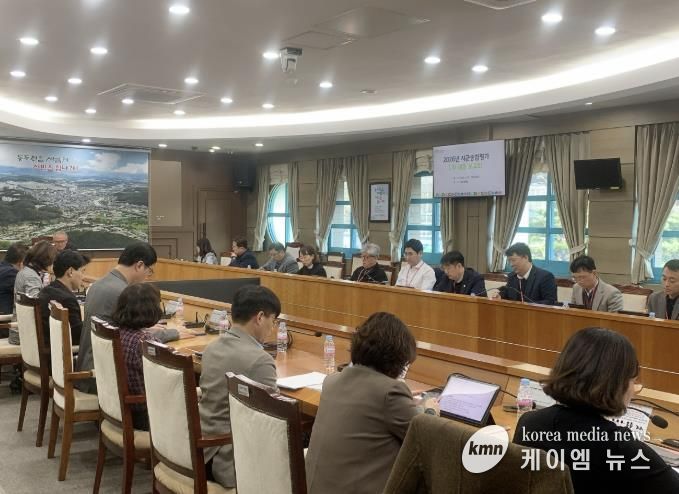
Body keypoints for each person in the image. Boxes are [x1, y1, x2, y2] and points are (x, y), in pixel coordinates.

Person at [514, 327, 679, 493]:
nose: (634, 390)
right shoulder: (621, 448)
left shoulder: (528, 423)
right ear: (616, 385)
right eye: (633, 381)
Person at [306, 312, 433, 494]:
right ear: (397, 358)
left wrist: (405, 403)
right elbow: (425, 437)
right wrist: (430, 410)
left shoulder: (332, 381)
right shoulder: (390, 393)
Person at [199, 285, 281, 490]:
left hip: (202, 451)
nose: (273, 328)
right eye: (273, 321)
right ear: (260, 317)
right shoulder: (260, 360)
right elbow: (274, 422)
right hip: (230, 460)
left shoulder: (211, 347)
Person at [77, 242, 179, 393]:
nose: (147, 277)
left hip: (88, 368)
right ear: (139, 265)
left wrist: (145, 329)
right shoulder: (122, 292)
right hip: (102, 378)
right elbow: (133, 341)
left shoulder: (98, 285)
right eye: (149, 271)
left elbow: (120, 332)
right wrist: (173, 332)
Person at [111, 283, 164, 431]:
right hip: (145, 414)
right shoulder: (145, 342)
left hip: (120, 408)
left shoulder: (116, 333)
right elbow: (166, 380)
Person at [38, 250, 89, 348]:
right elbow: (78, 337)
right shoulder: (67, 300)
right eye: (82, 271)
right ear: (70, 271)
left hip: (49, 347)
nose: (83, 277)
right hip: (60, 351)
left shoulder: (46, 290)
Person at [492, 242, 557, 305]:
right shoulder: (512, 276)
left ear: (526, 257)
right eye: (509, 261)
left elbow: (550, 302)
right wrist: (500, 296)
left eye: (513, 260)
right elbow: (507, 294)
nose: (511, 264)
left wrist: (527, 305)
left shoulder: (545, 277)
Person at [0, 243, 27, 314]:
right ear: (21, 262)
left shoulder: (2, 267)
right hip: (5, 317)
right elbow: (26, 293)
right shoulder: (11, 273)